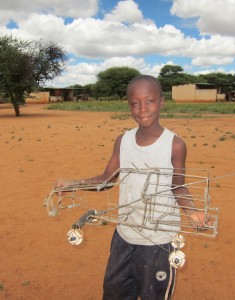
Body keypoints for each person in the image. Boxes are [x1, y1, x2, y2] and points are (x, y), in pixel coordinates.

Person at [56, 75, 206, 300]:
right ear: (129, 106)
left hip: (159, 241)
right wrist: (73, 184)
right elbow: (107, 179)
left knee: (153, 295)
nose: (142, 108)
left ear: (162, 102)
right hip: (124, 235)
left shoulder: (174, 144)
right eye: (135, 103)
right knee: (115, 292)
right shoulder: (122, 141)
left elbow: (179, 187)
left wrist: (192, 210)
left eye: (149, 101)